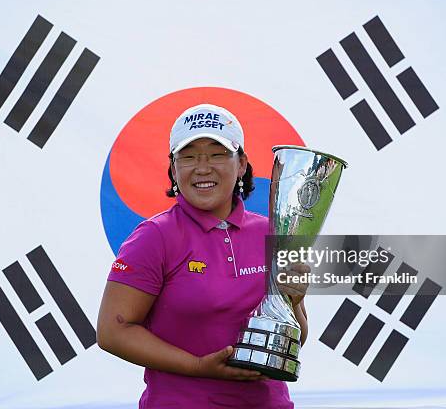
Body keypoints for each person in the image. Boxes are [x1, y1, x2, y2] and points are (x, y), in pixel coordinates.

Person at [97, 104, 309, 408]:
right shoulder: (154, 237)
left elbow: (295, 339)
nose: (202, 167)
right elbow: (112, 331)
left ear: (241, 165)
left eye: (217, 154)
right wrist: (197, 366)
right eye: (189, 156)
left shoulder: (272, 233)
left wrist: (296, 301)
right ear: (173, 169)